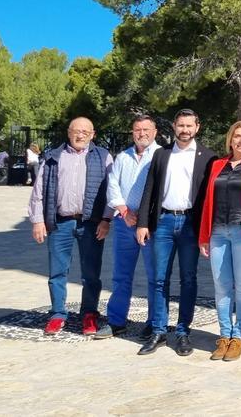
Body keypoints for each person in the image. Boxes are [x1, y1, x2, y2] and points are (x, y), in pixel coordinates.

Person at [135, 109, 216, 356]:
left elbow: (210, 197)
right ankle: (159, 330)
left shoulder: (208, 158)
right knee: (160, 278)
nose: (185, 130)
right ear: (174, 126)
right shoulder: (161, 154)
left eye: (189, 126)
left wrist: (207, 231)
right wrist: (142, 222)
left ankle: (182, 331)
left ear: (197, 127)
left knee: (188, 279)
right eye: (181, 125)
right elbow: (149, 189)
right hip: (164, 223)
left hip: (191, 224)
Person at [26, 117, 113, 336]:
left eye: (86, 131)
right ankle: (57, 314)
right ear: (69, 132)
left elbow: (112, 190)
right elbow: (39, 191)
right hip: (60, 223)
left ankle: (90, 314)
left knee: (91, 273)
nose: (80, 135)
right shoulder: (53, 157)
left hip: (91, 224)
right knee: (57, 272)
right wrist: (37, 220)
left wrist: (106, 219)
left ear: (93, 134)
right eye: (76, 130)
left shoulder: (103, 157)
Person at [198, 120, 241, 361]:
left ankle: (239, 336)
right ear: (231, 139)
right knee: (220, 284)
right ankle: (224, 335)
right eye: (237, 136)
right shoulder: (217, 165)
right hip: (217, 232)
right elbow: (207, 202)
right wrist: (204, 236)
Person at [94, 115, 161, 340]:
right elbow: (112, 186)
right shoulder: (122, 157)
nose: (141, 133)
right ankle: (116, 322)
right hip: (124, 223)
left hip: (150, 226)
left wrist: (143, 218)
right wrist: (123, 210)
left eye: (146, 129)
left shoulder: (162, 156)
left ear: (155, 132)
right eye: (137, 129)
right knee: (121, 276)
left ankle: (154, 323)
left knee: (155, 277)